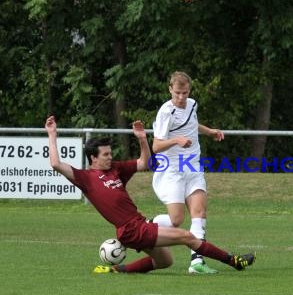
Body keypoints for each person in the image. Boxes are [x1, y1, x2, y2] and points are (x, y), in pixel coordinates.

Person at [44, 115, 255, 274]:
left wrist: (142, 139)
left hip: (137, 226)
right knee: (187, 236)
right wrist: (52, 135)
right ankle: (233, 261)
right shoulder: (85, 178)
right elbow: (56, 163)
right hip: (132, 230)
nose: (110, 157)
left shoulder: (116, 169)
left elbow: (144, 163)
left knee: (165, 262)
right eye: (105, 154)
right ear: (93, 158)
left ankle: (117, 270)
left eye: (110, 153)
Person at [151, 71, 225, 274]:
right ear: (170, 90)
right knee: (176, 220)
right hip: (173, 169)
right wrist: (177, 140)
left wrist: (209, 131)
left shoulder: (192, 104)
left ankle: (196, 262)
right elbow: (156, 146)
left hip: (192, 166)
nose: (181, 97)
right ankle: (148, 226)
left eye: (184, 92)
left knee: (199, 212)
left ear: (189, 91)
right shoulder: (166, 112)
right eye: (177, 93)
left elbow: (192, 124)